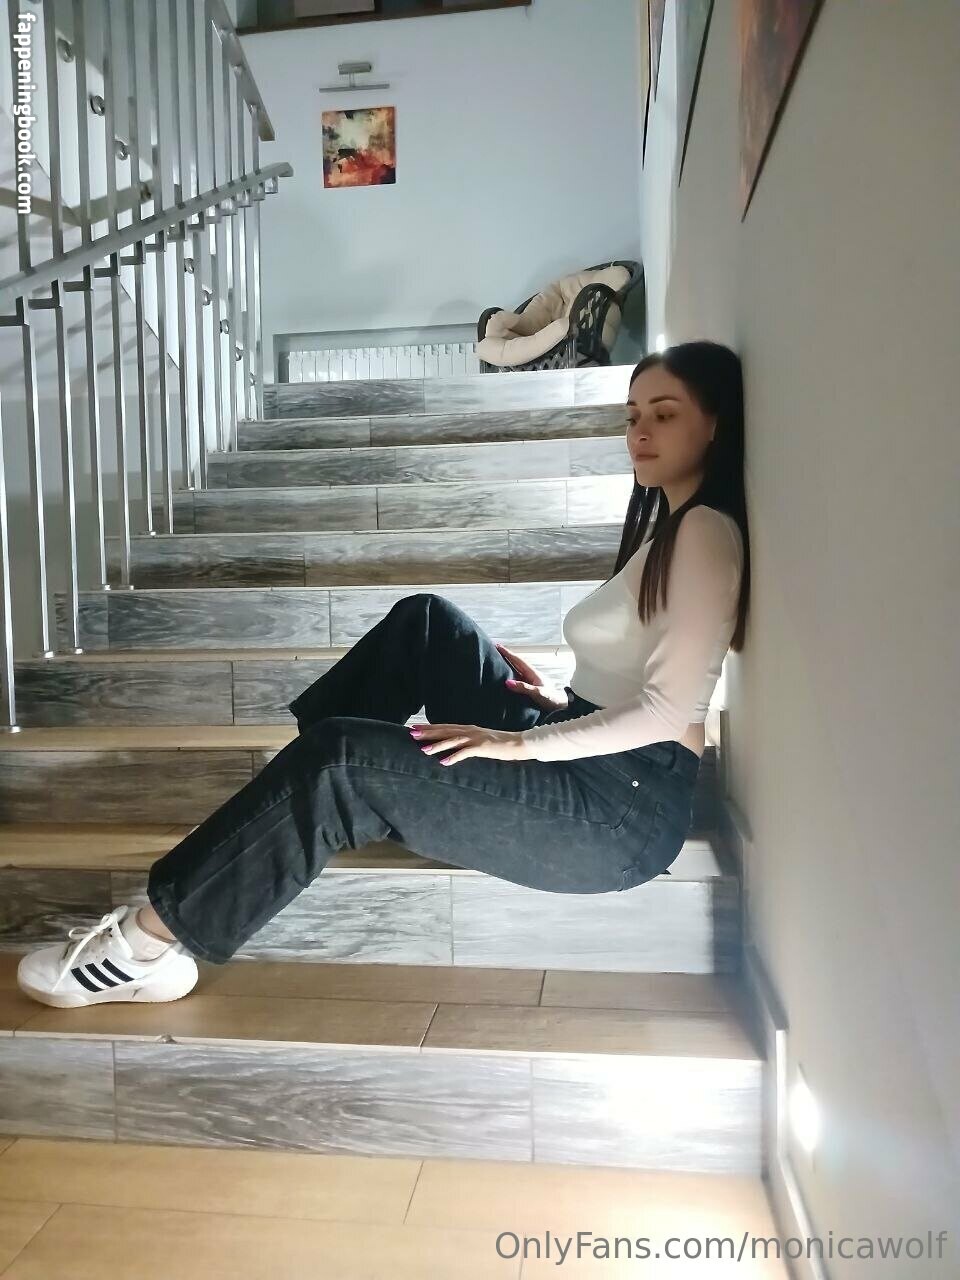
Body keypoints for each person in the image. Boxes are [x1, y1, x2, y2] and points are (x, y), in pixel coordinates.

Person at [17, 340, 750, 1008]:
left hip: (616, 816)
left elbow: (668, 712)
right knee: (428, 624)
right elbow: (643, 666)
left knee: (341, 758)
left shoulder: (705, 532)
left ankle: (144, 948)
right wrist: (561, 699)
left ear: (714, 424)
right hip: (586, 746)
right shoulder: (669, 527)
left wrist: (517, 744)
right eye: (632, 415)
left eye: (664, 414)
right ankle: (296, 808)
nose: (640, 431)